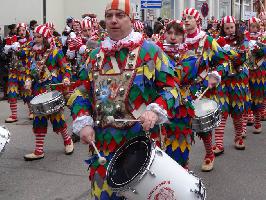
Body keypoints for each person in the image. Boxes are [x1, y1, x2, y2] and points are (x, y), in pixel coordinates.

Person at [67, 0, 180, 199]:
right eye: (109, 16)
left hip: (142, 146)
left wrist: (155, 110)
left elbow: (172, 90)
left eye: (120, 15)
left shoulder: (151, 51)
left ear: (132, 19)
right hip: (103, 148)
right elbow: (80, 93)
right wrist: (82, 120)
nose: (113, 21)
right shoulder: (94, 56)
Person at [182, 8, 229, 171]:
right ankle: (183, 162)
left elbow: (224, 60)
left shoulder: (207, 40)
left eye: (190, 18)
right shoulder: (179, 40)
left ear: (198, 21)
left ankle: (209, 153)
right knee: (181, 127)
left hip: (201, 87)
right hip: (180, 90)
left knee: (202, 126)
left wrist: (216, 74)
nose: (186, 20)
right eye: (184, 18)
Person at [23, 25, 74, 161]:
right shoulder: (33, 53)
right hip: (38, 90)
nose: (36, 39)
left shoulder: (55, 52)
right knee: (39, 118)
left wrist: (66, 78)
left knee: (57, 117)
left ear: (45, 38)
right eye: (35, 36)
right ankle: (39, 150)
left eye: (39, 37)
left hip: (52, 89)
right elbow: (29, 71)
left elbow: (66, 68)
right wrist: (28, 80)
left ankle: (68, 141)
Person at [213, 16, 251, 155]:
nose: (229, 30)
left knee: (237, 112)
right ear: (223, 29)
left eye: (231, 27)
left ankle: (238, 137)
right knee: (221, 112)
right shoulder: (218, 41)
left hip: (238, 81)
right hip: (223, 80)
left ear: (235, 26)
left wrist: (229, 55)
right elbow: (215, 58)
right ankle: (218, 144)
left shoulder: (243, 40)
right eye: (226, 28)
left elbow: (243, 58)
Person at [4, 23, 33, 122]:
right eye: (19, 30)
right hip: (13, 71)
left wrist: (16, 48)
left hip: (24, 71)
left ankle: (32, 111)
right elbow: (7, 56)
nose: (21, 32)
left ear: (26, 31)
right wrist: (8, 48)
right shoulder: (12, 41)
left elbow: (23, 53)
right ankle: (14, 115)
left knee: (27, 92)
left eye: (23, 30)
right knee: (12, 92)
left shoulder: (30, 42)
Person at [243, 17, 265, 134]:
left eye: (256, 26)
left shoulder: (263, 36)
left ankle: (257, 123)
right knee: (245, 98)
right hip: (246, 70)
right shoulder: (244, 36)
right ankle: (243, 127)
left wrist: (261, 50)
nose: (254, 28)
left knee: (258, 98)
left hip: (259, 71)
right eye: (252, 26)